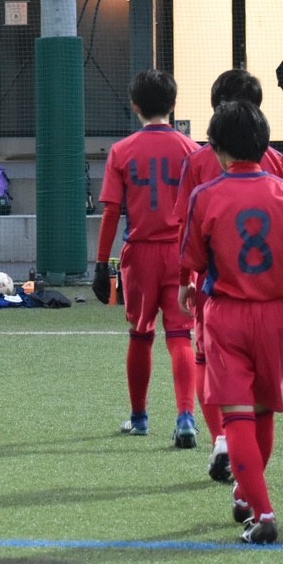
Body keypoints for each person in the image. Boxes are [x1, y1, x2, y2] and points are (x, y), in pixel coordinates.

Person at [178, 100, 283, 544]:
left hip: (227, 314)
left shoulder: (205, 196)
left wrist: (186, 287)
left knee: (237, 417)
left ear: (219, 149)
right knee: (263, 412)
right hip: (278, 316)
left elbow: (192, 259)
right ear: (264, 146)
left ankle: (263, 513)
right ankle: (247, 496)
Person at [173, 69, 283, 485]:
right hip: (267, 292)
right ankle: (248, 481)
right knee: (262, 399)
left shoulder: (200, 161)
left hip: (217, 290)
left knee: (209, 362)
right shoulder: (273, 159)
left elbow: (185, 227)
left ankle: (223, 440)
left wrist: (187, 277)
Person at [92, 69, 199, 448]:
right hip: (183, 254)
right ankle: (186, 417)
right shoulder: (192, 150)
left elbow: (110, 212)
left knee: (140, 334)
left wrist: (101, 264)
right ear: (173, 105)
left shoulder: (122, 151)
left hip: (140, 255)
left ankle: (139, 419)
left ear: (134, 105)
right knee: (181, 335)